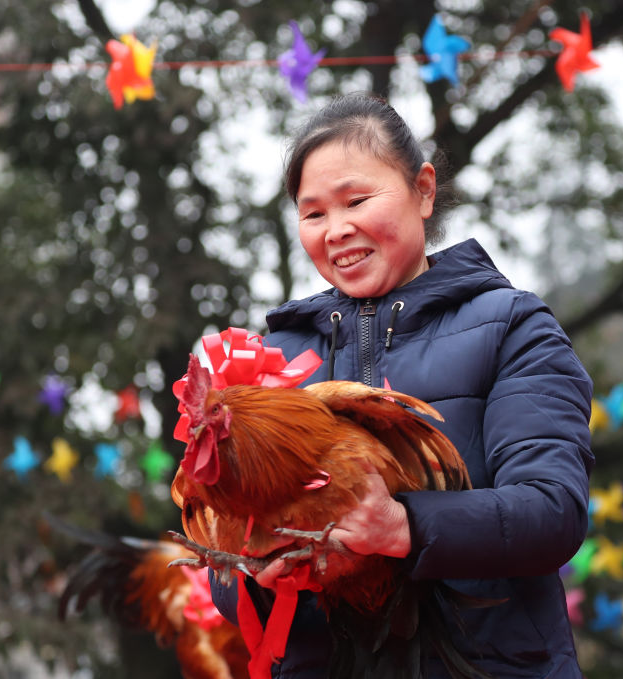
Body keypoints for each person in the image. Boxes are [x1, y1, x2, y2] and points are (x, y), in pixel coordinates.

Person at [209, 93, 594, 678]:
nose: (337, 229)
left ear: (423, 190)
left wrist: (405, 527)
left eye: (357, 200)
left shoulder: (511, 326)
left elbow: (552, 512)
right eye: (313, 214)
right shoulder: (273, 362)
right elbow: (225, 569)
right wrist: (256, 573)